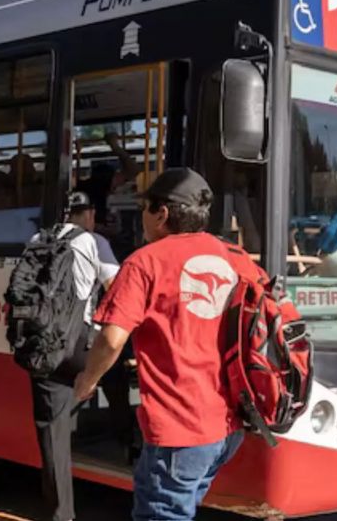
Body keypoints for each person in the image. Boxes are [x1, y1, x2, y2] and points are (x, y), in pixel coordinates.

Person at [74, 168, 252, 520]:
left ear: (162, 214)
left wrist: (87, 381)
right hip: (228, 427)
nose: (141, 216)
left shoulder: (145, 262)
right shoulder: (235, 257)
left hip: (179, 427)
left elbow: (112, 339)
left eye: (145, 207)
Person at [31, 191, 119, 521]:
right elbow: (117, 289)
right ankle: (125, 436)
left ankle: (60, 514)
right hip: (79, 342)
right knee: (116, 366)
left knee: (52, 428)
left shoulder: (38, 238)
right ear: (90, 215)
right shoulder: (95, 242)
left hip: (43, 341)